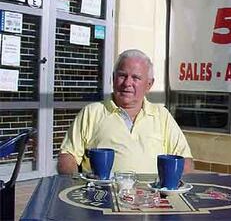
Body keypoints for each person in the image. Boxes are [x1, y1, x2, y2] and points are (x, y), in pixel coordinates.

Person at [57, 49, 193, 174]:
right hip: (101, 196)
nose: (127, 83)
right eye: (122, 75)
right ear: (113, 78)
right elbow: (68, 156)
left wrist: (170, 192)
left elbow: (185, 161)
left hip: (151, 197)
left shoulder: (162, 116)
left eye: (136, 78)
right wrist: (74, 184)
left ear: (149, 84)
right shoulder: (92, 113)